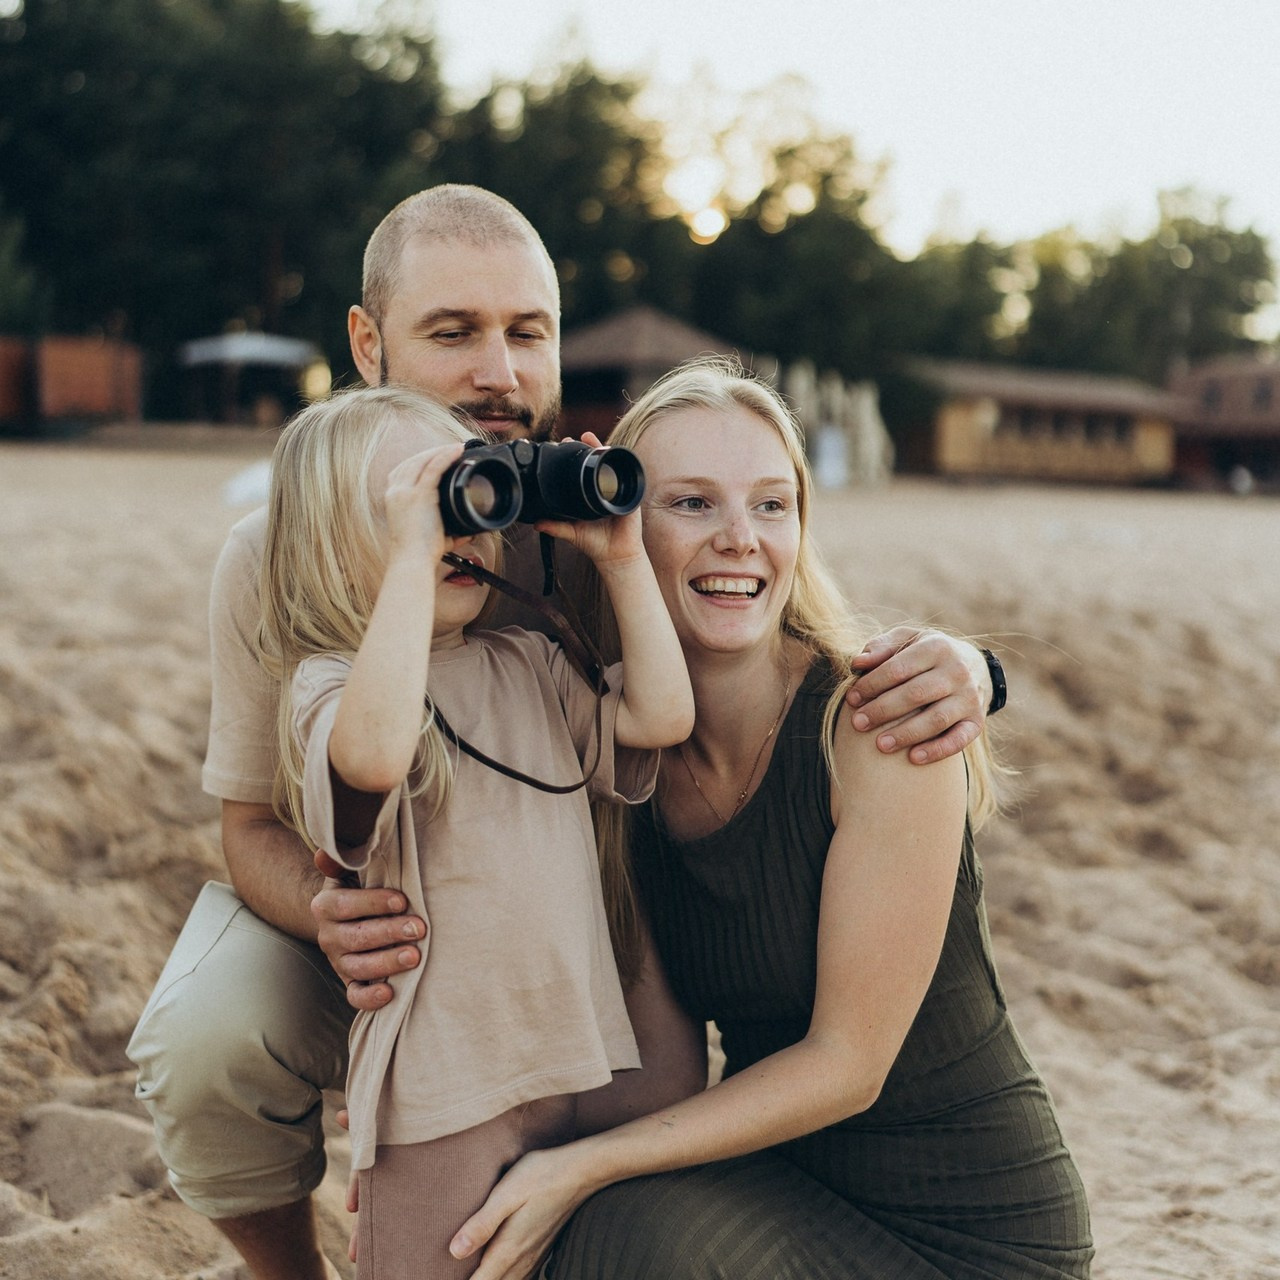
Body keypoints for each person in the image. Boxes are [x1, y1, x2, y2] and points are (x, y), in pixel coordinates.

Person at [126, 184, 1002, 1280]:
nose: (498, 371)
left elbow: (764, 610)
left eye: (525, 332)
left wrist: (973, 666)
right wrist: (327, 911)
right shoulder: (286, 549)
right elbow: (251, 817)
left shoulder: (582, 513)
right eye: (453, 332)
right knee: (208, 1036)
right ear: (367, 340)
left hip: (573, 933)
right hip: (381, 918)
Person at [443, 358, 1093, 1280]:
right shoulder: (619, 757)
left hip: (974, 1232)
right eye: (693, 504)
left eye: (772, 505)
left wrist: (580, 1165)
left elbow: (848, 1063)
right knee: (599, 1232)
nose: (741, 539)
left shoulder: (874, 724)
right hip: (779, 1190)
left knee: (623, 1222)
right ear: (619, 520)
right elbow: (660, 1078)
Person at [257, 384, 694, 1277]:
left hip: (580, 1056)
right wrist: (412, 570)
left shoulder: (527, 662)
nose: (453, 527)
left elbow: (661, 715)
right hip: (446, 1090)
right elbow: (371, 763)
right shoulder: (334, 691)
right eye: (417, 501)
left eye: (468, 492)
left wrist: (622, 561)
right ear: (321, 545)